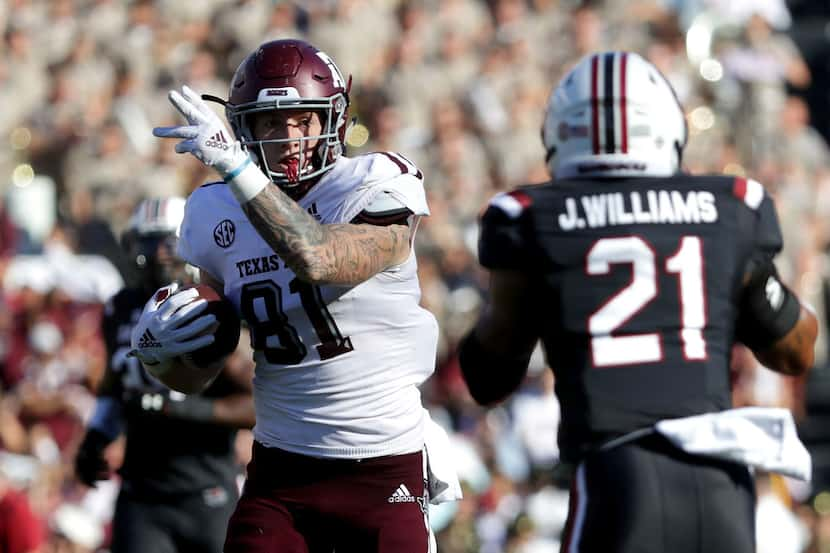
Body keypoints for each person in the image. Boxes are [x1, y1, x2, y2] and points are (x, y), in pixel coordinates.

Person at [458, 51, 818, 553]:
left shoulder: (529, 217)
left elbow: (488, 376)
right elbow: (795, 351)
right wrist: (754, 284)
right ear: (668, 129)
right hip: (724, 486)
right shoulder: (732, 207)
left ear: (561, 134)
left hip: (616, 477)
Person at [134, 39, 457, 553]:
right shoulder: (213, 210)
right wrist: (163, 354)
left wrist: (239, 171)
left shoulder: (378, 181)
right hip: (282, 472)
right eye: (270, 122)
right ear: (244, 128)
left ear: (334, 118)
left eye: (303, 119)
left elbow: (319, 258)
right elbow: (204, 368)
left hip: (383, 466)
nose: (290, 138)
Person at [74, 196, 256, 553]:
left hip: (206, 490)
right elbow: (115, 380)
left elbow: (258, 402)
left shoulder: (210, 308)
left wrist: (178, 408)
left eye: (169, 242)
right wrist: (97, 434)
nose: (159, 253)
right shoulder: (121, 307)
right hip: (142, 494)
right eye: (148, 241)